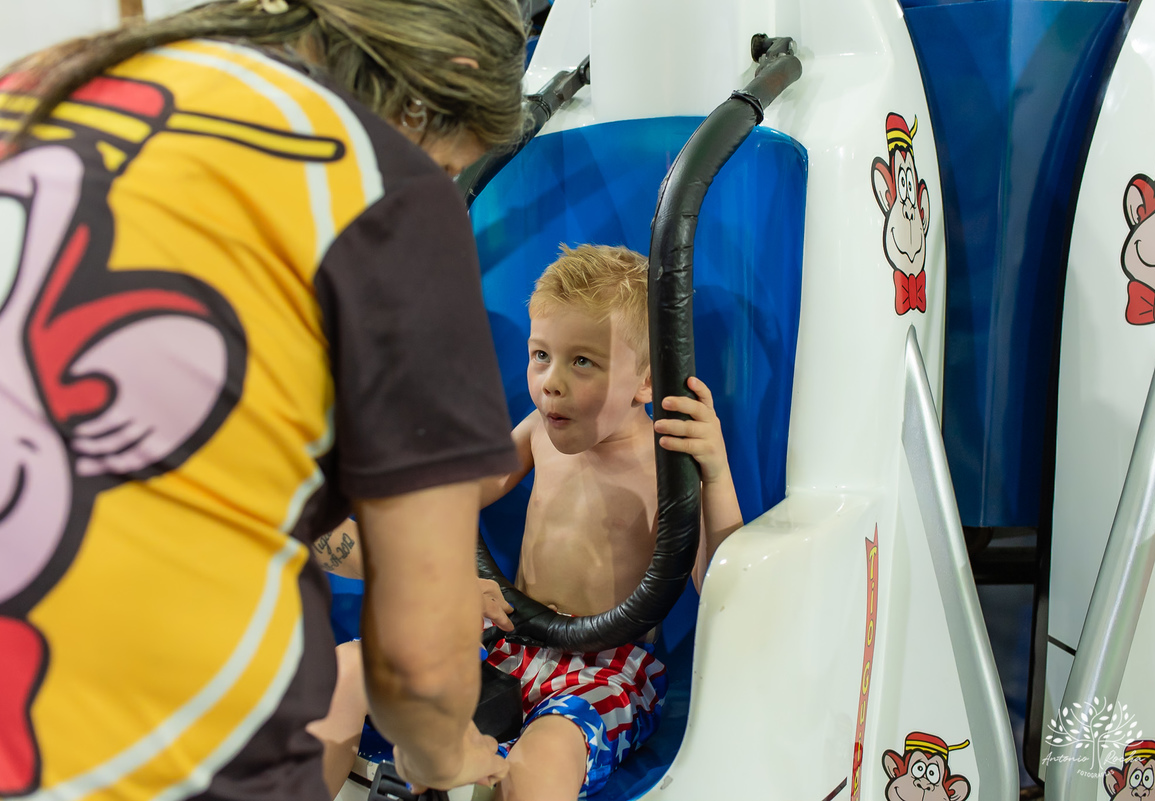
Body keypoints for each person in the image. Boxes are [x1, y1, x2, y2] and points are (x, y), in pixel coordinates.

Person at [0, 1, 526, 799]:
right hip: (145, 746)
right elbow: (421, 667)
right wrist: (447, 757)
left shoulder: (45, 83)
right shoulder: (376, 176)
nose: (441, 184)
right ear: (443, 84)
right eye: (453, 166)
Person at [309, 244, 743, 799]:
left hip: (601, 670)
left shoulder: (666, 468)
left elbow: (723, 584)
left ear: (645, 382)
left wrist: (714, 474)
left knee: (543, 764)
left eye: (582, 361)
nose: (551, 383)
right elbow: (462, 494)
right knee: (344, 671)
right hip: (505, 635)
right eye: (541, 355)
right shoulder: (540, 431)